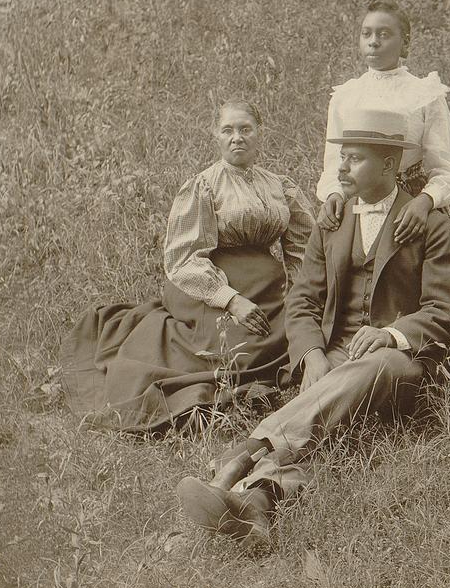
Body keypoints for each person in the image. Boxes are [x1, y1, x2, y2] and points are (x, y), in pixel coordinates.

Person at [175, 106, 450, 541]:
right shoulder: (331, 222)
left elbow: (446, 311)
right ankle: (258, 503)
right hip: (334, 354)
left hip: (398, 365)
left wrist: (390, 333)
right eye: (341, 156)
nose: (342, 167)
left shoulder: (429, 223)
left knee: (377, 365)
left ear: (389, 164)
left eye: (355, 158)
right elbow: (303, 299)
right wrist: (311, 354)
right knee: (333, 425)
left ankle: (246, 452)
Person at [61, 100, 315, 432]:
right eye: (228, 130)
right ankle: (203, 387)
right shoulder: (204, 186)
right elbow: (183, 259)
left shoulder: (280, 186)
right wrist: (231, 299)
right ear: (216, 136)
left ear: (260, 134)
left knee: (291, 328)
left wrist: (300, 294)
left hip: (266, 287)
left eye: (245, 129)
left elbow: (303, 250)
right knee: (242, 345)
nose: (237, 137)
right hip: (207, 283)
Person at [316, 0, 450, 244]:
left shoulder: (425, 94)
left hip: (409, 202)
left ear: (404, 43)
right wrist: (334, 194)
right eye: (366, 34)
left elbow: (445, 170)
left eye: (384, 34)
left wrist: (424, 202)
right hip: (357, 198)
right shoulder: (346, 97)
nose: (373, 41)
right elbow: (334, 163)